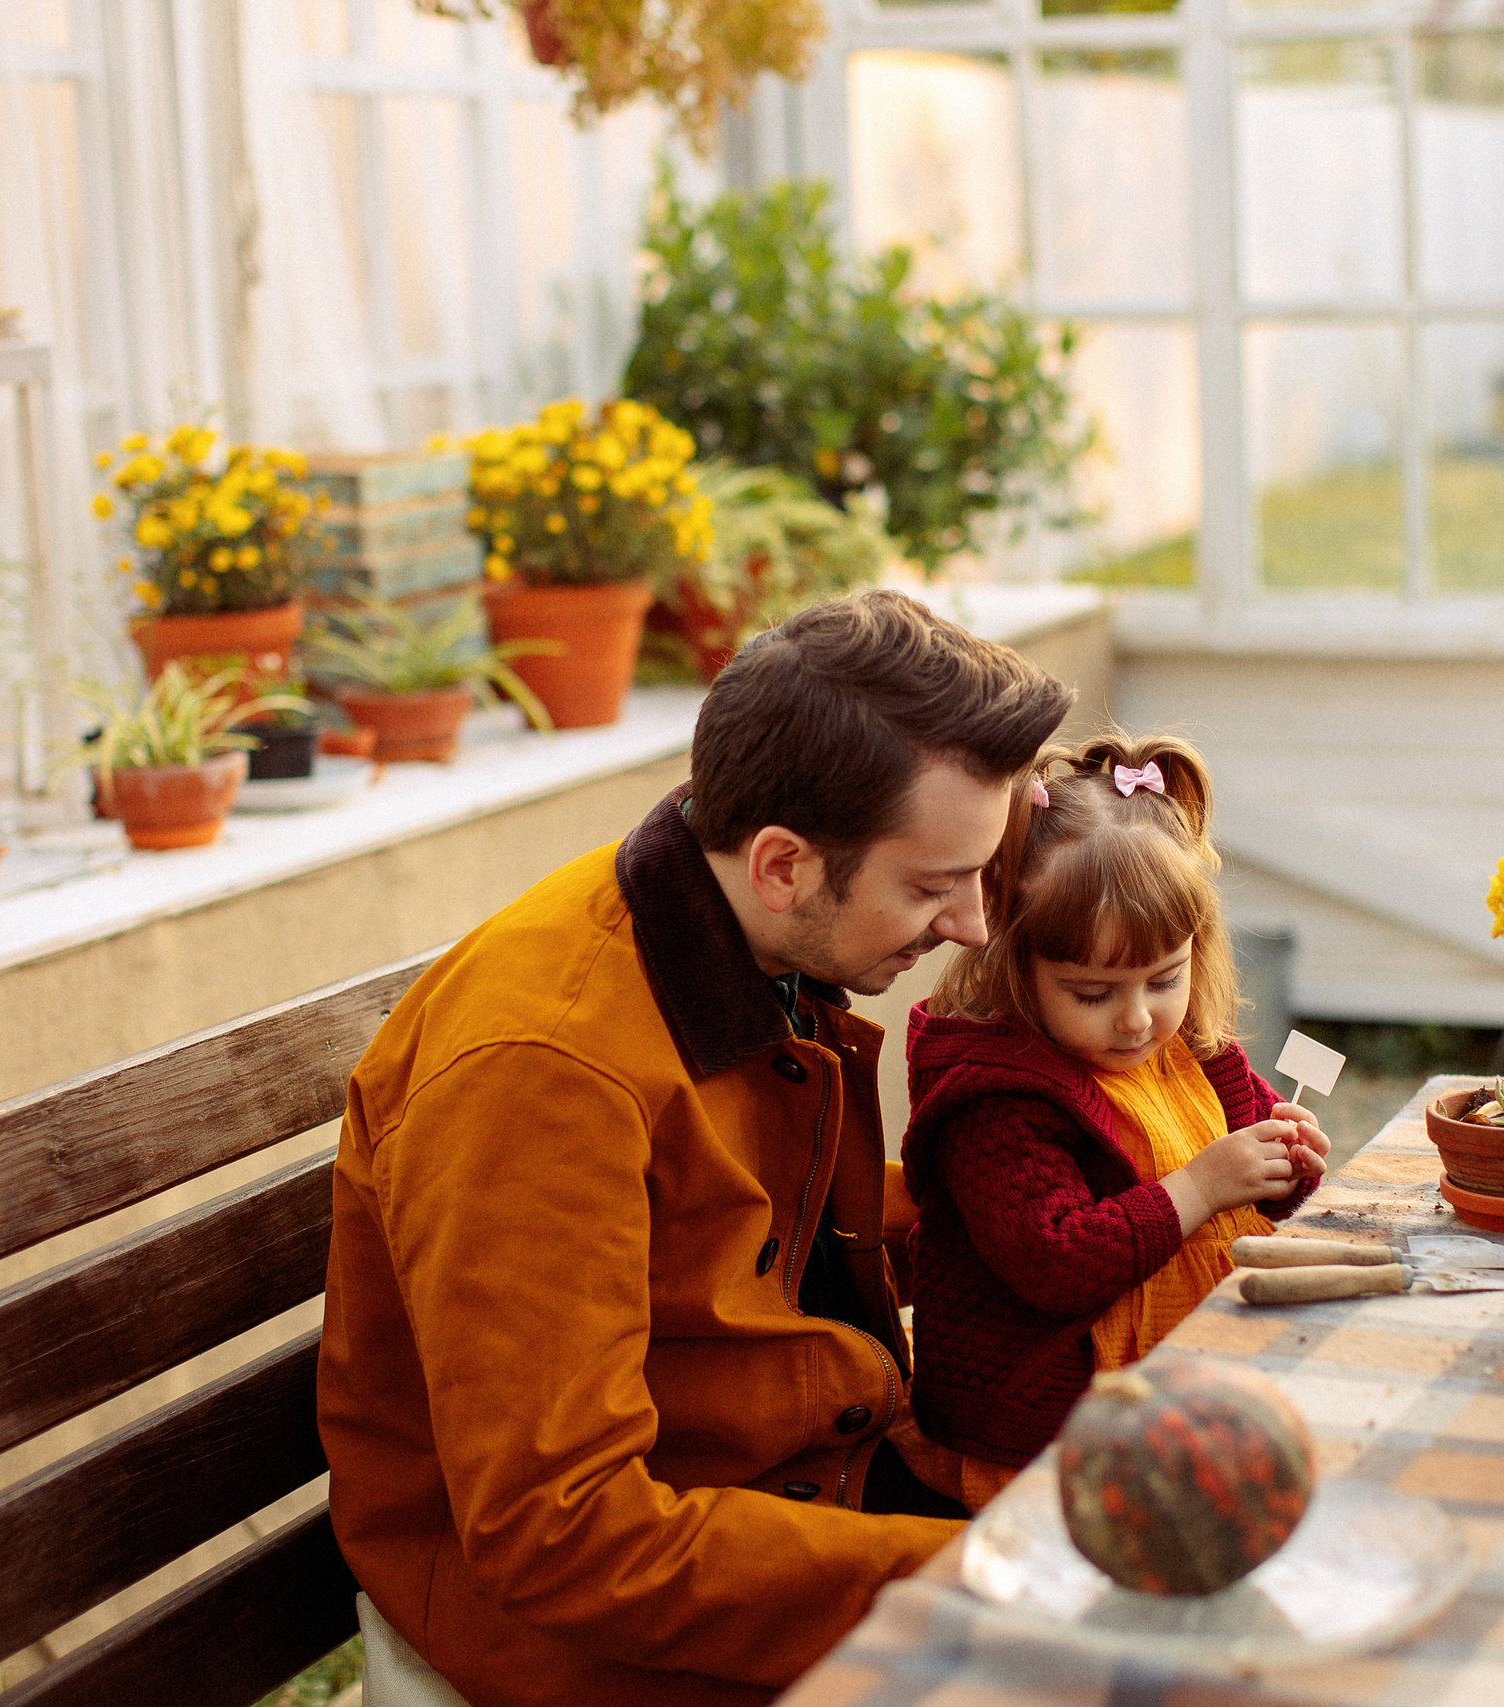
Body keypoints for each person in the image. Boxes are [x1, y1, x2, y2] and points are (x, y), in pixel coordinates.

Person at [317, 590, 1076, 1707]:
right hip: (599, 1643)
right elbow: (561, 1538)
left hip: (794, 1509)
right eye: (931, 884)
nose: (971, 922)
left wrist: (1080, 1205)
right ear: (782, 865)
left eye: (980, 871)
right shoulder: (544, 1077)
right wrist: (992, 1577)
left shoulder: (732, 927)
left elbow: (737, 1239)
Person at [897, 733, 1330, 1512]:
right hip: (1054, 1435)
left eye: (1163, 979)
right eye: (1093, 993)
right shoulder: (996, 1102)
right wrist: (1202, 1184)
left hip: (1185, 1391)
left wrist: (1286, 1163)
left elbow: (1251, 1178)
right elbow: (1055, 1261)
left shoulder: (1191, 1049)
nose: (1136, 1019)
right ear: (1014, 963)